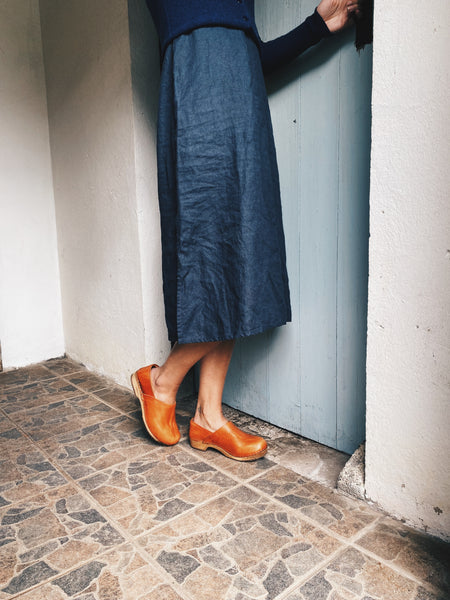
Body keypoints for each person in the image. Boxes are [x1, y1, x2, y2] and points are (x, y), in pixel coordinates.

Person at [131, 0, 361, 461]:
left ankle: (208, 417)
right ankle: (160, 380)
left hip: (244, 97)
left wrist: (317, 27)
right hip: (196, 85)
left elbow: (251, 57)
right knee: (210, 238)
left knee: (241, 242)